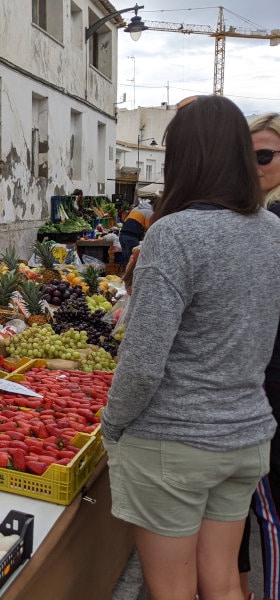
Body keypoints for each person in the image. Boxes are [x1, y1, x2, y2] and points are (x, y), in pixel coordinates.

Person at [101, 95, 280, 600]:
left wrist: (113, 424)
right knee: (222, 581)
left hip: (173, 444)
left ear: (184, 157)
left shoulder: (174, 234)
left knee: (173, 588)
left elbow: (141, 361)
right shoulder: (274, 233)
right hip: (245, 436)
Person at [237, 113, 280, 600]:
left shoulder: (271, 226)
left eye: (265, 156)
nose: (254, 165)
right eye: (245, 156)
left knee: (268, 512)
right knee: (238, 507)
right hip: (250, 379)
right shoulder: (252, 218)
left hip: (267, 382)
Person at [117, 196, 153, 264]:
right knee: (134, 260)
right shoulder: (149, 212)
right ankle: (132, 274)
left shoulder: (135, 209)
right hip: (132, 237)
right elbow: (149, 228)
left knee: (127, 260)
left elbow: (125, 220)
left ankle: (127, 273)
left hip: (122, 235)